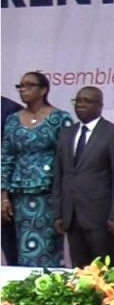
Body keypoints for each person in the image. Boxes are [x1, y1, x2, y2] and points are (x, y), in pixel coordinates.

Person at [1, 71, 73, 267]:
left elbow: (68, 160)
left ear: (43, 90)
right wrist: (4, 196)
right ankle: (28, 283)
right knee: (25, 245)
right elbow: (6, 158)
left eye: (29, 85)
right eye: (20, 86)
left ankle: (49, 283)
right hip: (21, 195)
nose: (23, 90)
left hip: (50, 194)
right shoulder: (12, 120)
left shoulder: (60, 118)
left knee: (49, 246)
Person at [52, 87, 114, 268]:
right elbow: (60, 175)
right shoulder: (66, 134)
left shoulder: (113, 134)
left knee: (105, 270)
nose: (81, 105)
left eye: (88, 101)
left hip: (101, 217)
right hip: (72, 215)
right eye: (78, 101)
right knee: (79, 271)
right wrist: (59, 214)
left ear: (100, 106)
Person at [1, 96, 23, 265]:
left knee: (12, 245)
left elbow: (12, 154)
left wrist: (4, 194)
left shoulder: (9, 110)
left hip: (7, 190)